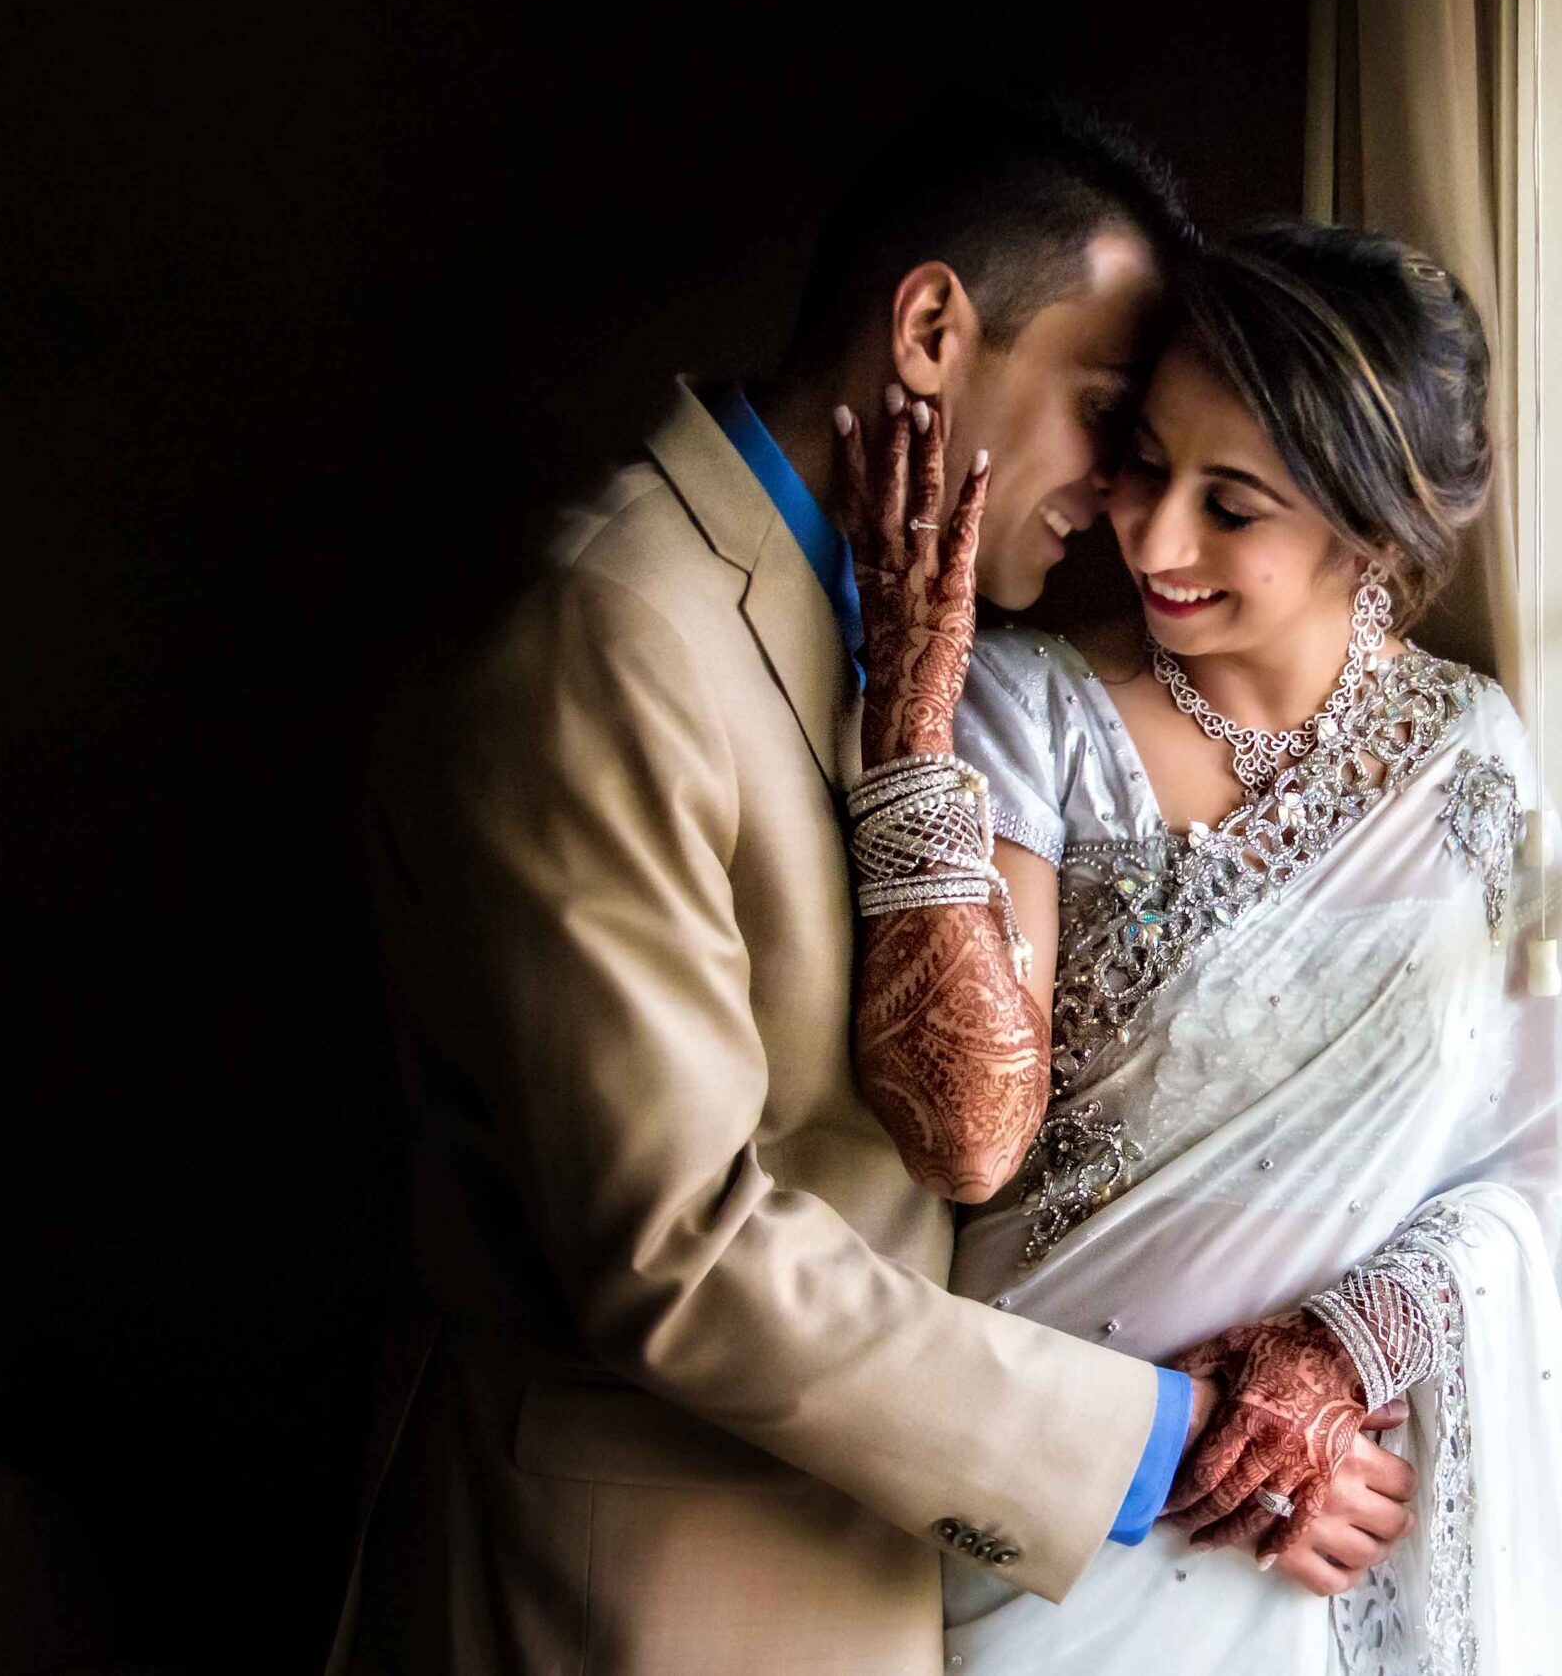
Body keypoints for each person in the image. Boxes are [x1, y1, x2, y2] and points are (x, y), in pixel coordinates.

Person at [335, 103, 1408, 1676]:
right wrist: (1160, 1448)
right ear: (928, 332)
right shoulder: (618, 637)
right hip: (644, 1595)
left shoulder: (916, 634)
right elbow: (677, 1248)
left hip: (883, 1564)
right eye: (1106, 414)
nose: (1124, 494)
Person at [850, 221, 1562, 1673]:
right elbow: (967, 1131)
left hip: (1321, 1530)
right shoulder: (1029, 717)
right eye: (1143, 462)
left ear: (1371, 526)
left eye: (1235, 503)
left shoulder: (1486, 770)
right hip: (1054, 1526)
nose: (1151, 539)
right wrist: (909, 726)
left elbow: (1531, 1147)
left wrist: (1338, 1361)